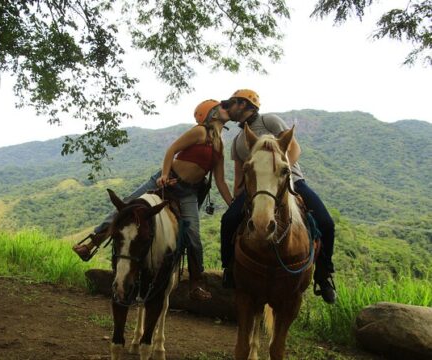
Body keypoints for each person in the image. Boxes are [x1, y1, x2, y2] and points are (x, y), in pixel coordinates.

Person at [73, 99, 233, 301]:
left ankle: (196, 283)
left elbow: (220, 181)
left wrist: (233, 204)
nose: (226, 110)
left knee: (193, 236)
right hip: (167, 180)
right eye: (222, 107)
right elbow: (172, 150)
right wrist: (165, 175)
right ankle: (93, 242)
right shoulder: (200, 131)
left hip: (188, 193)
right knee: (128, 206)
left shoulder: (219, 145)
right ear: (212, 113)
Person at [219, 89, 337, 304]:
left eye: (231, 103)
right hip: (255, 189)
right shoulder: (238, 141)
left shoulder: (269, 121)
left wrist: (282, 175)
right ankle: (229, 268)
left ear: (245, 104)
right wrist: (237, 199)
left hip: (291, 180)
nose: (228, 108)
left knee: (326, 223)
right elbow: (239, 174)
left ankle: (323, 274)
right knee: (228, 220)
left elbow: (294, 149)